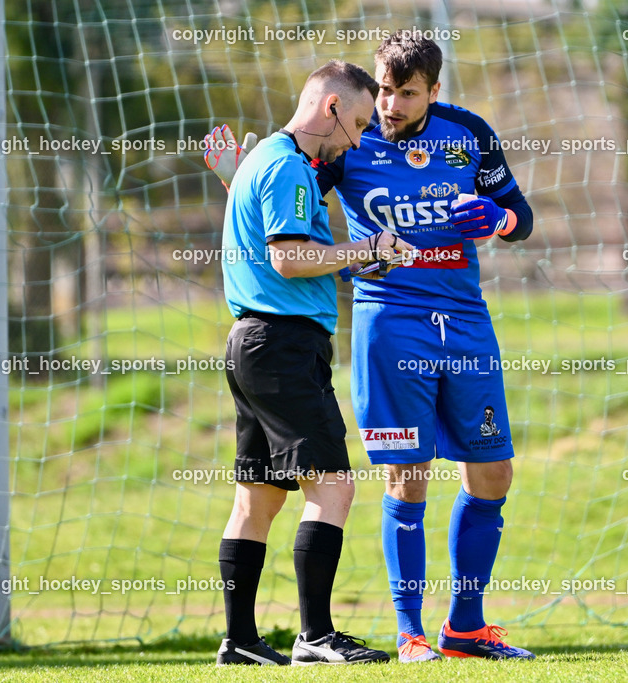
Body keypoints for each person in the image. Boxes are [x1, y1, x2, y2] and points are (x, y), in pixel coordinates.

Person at [206, 32, 535, 662]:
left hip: (466, 321)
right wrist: (236, 180)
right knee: (403, 478)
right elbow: (283, 196)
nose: (386, 107)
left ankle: (465, 626)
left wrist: (499, 222)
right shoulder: (345, 143)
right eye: (381, 91)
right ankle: (406, 633)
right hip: (388, 322)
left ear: (433, 92)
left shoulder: (468, 134)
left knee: (493, 472)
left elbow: (521, 216)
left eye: (405, 94)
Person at [213, 59, 414, 666]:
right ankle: (316, 637)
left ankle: (240, 641)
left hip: (250, 344)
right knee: (335, 486)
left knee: (258, 500)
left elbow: (287, 244)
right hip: (282, 348)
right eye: (355, 123)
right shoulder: (288, 166)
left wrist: (352, 259)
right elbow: (290, 259)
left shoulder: (267, 163)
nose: (356, 139)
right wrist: (367, 248)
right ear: (330, 109)